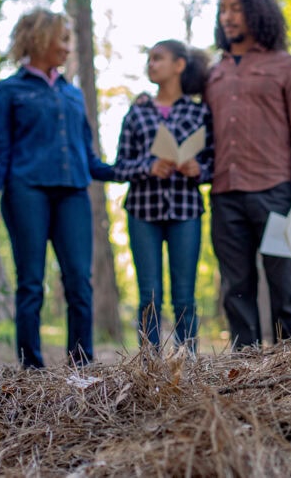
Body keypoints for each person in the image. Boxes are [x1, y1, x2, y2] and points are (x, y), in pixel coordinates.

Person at [0, 8, 113, 368]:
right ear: (40, 39)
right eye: (62, 39)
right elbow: (1, 149)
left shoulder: (72, 94)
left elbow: (89, 156)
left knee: (79, 279)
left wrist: (132, 171)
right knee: (30, 282)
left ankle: (82, 362)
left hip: (73, 192)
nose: (67, 47)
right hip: (25, 191)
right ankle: (31, 366)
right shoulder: (9, 90)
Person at [204, 0, 291, 349]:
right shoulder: (213, 73)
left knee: (285, 287)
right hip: (225, 197)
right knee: (236, 289)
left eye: (236, 8)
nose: (228, 17)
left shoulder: (287, 67)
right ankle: (246, 370)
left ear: (257, 11)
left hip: (276, 194)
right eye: (223, 9)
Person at [113, 40, 213, 352]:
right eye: (150, 59)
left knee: (184, 294)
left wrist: (199, 169)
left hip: (186, 210)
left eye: (159, 59)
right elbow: (119, 168)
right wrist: (148, 167)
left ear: (179, 65)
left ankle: (188, 363)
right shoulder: (137, 113)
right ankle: (150, 364)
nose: (151, 64)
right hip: (143, 212)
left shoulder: (199, 113)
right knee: (149, 295)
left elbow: (214, 163)